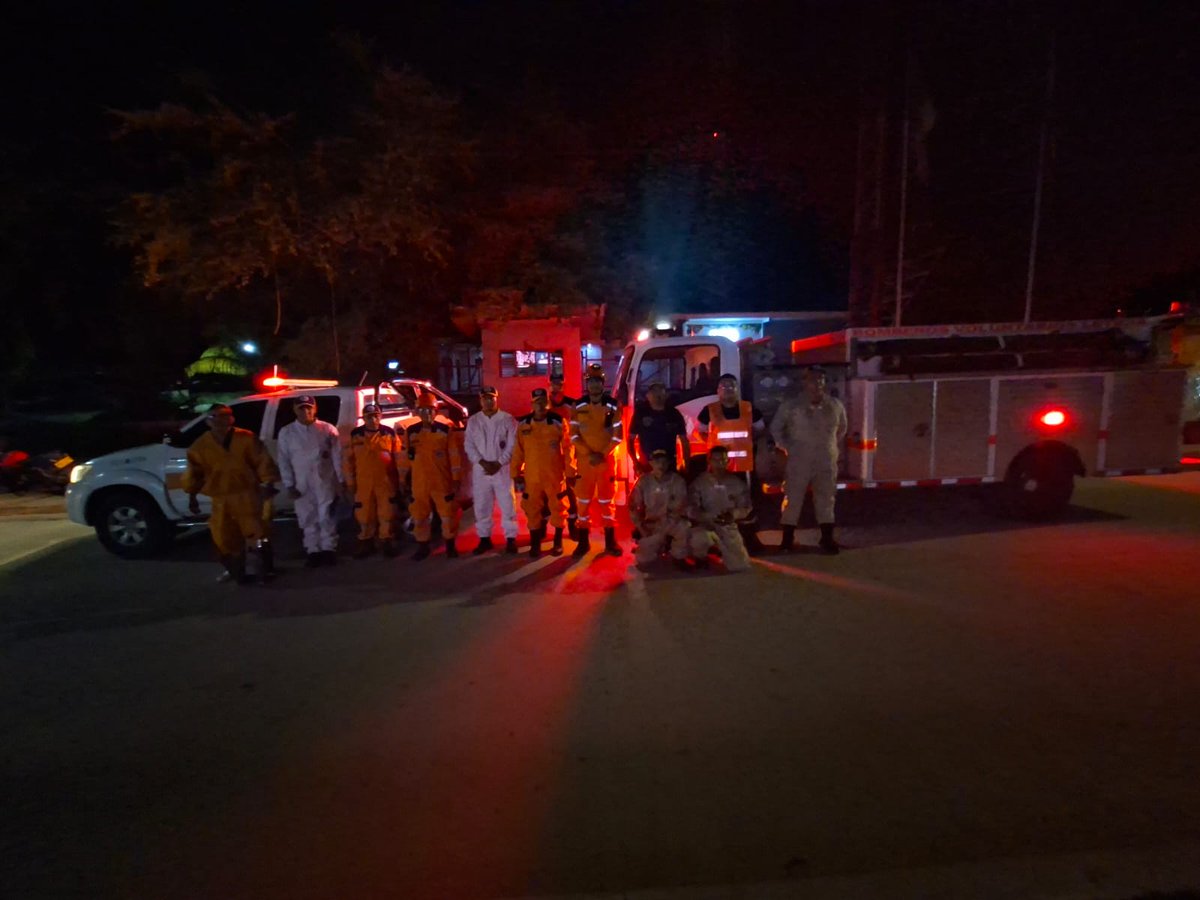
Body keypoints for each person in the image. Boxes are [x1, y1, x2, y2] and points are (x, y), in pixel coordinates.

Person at [183, 404, 280, 584]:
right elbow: (194, 473)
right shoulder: (200, 446)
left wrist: (268, 483)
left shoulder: (246, 438)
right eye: (215, 416)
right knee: (224, 537)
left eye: (225, 415)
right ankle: (236, 571)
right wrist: (192, 496)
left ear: (232, 418)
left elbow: (263, 462)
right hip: (221, 499)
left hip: (248, 495)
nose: (221, 420)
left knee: (258, 533)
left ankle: (265, 570)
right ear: (208, 421)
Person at [771, 366, 848, 555]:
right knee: (793, 498)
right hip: (799, 459)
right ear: (804, 382)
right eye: (813, 379)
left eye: (821, 379)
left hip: (826, 460)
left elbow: (841, 429)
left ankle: (827, 538)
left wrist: (828, 446)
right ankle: (787, 539)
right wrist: (789, 447)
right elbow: (776, 429)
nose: (817, 383)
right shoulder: (791, 406)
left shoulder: (835, 405)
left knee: (826, 498)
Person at [695, 373, 767, 554]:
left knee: (746, 503)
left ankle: (749, 539)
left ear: (737, 389)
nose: (728, 389)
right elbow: (700, 431)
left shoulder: (749, 408)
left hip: (744, 466)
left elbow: (760, 430)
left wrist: (748, 444)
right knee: (718, 501)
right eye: (724, 386)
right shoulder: (709, 410)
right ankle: (719, 541)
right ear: (718, 390)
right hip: (719, 468)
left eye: (731, 386)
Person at [277, 395, 345, 567]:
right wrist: (289, 484)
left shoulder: (327, 429)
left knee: (326, 515)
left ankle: (328, 549)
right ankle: (313, 550)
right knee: (307, 517)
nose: (305, 411)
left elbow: (337, 456)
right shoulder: (287, 433)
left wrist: (341, 479)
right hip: (301, 483)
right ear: (295, 410)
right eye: (301, 408)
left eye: (309, 407)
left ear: (315, 409)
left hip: (325, 480)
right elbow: (284, 460)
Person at [399, 393, 463, 560]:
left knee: (447, 514)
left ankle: (450, 545)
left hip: (441, 480)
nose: (426, 413)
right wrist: (402, 478)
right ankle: (423, 546)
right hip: (419, 482)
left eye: (429, 410)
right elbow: (405, 457)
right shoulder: (411, 432)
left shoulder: (445, 430)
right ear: (417, 412)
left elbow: (454, 455)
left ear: (435, 412)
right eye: (422, 410)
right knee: (419, 514)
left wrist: (456, 478)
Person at [511, 388, 573, 558]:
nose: (540, 405)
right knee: (532, 508)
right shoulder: (524, 424)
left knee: (558, 507)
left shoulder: (558, 422)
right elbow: (518, 451)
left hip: (554, 474)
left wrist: (570, 472)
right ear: (532, 404)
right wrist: (515, 472)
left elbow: (568, 448)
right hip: (532, 476)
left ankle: (557, 542)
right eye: (536, 402)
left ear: (547, 403)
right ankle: (535, 543)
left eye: (543, 402)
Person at [571, 366, 623, 557]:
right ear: (587, 384)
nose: (594, 385)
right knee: (583, 501)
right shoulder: (577, 406)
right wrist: (589, 454)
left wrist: (601, 454)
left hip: (605, 462)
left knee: (607, 501)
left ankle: (610, 541)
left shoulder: (613, 405)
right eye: (591, 381)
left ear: (603, 383)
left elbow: (618, 436)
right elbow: (573, 435)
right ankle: (583, 542)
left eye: (597, 381)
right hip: (585, 463)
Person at [464, 385, 519, 554]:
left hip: (502, 469)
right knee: (481, 505)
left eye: (491, 398)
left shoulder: (508, 419)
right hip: (481, 470)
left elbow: (512, 445)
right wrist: (481, 462)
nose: (488, 401)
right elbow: (469, 445)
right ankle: (484, 539)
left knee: (507, 504)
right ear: (480, 400)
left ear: (496, 398)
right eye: (485, 398)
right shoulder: (474, 421)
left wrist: (499, 462)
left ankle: (511, 539)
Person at [343, 402, 402, 559]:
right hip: (363, 482)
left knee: (386, 512)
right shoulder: (355, 435)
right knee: (364, 513)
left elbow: (399, 458)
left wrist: (401, 480)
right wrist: (350, 482)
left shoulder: (388, 433)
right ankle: (366, 541)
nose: (373, 420)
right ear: (364, 418)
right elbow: (348, 461)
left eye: (376, 416)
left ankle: (386, 540)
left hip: (385, 481)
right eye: (369, 417)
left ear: (380, 417)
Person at [686, 444, 753, 573]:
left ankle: (724, 551)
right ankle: (702, 557)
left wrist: (733, 514)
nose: (719, 463)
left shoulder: (737, 483)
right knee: (698, 538)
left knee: (740, 566)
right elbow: (691, 506)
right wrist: (703, 517)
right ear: (709, 461)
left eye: (722, 460)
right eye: (715, 460)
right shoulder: (699, 482)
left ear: (728, 461)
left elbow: (746, 506)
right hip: (706, 524)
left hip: (727, 525)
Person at [629, 448, 690, 569]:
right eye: (657, 462)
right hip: (651, 524)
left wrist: (666, 523)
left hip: (671, 522)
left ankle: (678, 556)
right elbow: (632, 506)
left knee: (684, 527)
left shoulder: (677, 481)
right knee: (643, 559)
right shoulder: (643, 481)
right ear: (651, 463)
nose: (661, 465)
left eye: (664, 461)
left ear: (668, 463)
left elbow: (681, 505)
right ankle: (658, 547)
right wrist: (640, 527)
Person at [627, 381, 691, 473]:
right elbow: (630, 440)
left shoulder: (674, 414)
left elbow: (684, 441)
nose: (657, 395)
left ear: (666, 395)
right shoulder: (640, 414)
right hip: (647, 464)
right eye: (654, 392)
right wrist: (636, 462)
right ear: (647, 396)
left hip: (669, 464)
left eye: (661, 392)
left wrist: (686, 465)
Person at [547, 372, 580, 538]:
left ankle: (573, 526)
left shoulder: (571, 404)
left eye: (559, 384)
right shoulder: (543, 403)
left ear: (563, 385)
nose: (556, 387)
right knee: (547, 493)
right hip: (549, 455)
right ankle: (543, 528)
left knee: (569, 491)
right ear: (549, 384)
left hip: (568, 452)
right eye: (554, 384)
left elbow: (578, 427)